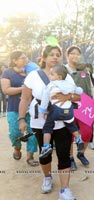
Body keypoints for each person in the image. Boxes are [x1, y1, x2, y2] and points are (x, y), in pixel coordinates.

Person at [19, 45, 77, 199]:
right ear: (43, 57)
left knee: (64, 154)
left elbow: (78, 96)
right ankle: (47, 177)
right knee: (45, 152)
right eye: (51, 54)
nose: (55, 57)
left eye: (58, 54)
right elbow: (25, 99)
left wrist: (67, 97)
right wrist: (21, 119)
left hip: (62, 121)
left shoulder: (65, 74)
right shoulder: (33, 76)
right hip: (40, 121)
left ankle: (65, 190)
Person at [0, 51, 38, 166]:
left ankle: (30, 157)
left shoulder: (31, 72)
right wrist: (24, 88)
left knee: (32, 132)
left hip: (31, 108)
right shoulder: (8, 73)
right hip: (14, 108)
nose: (25, 59)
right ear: (14, 61)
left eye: (26, 57)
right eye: (22, 58)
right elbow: (6, 90)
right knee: (15, 132)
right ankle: (17, 148)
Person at [38, 64, 84, 158]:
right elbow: (79, 91)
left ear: (58, 77)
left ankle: (46, 146)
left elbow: (45, 98)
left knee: (47, 127)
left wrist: (43, 110)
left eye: (51, 74)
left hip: (56, 110)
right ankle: (79, 139)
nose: (49, 76)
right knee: (71, 125)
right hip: (68, 111)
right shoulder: (70, 84)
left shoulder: (51, 85)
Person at [65, 46, 94, 169]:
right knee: (70, 134)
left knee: (87, 132)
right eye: (72, 53)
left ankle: (81, 153)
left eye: (77, 54)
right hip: (69, 104)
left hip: (85, 104)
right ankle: (70, 157)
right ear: (67, 55)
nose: (75, 56)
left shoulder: (84, 69)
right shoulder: (63, 70)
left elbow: (90, 85)